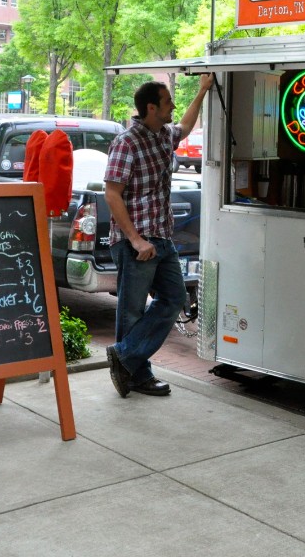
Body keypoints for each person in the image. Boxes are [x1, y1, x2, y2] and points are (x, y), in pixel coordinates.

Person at [105, 74, 213, 397]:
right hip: (135, 242)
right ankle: (137, 374)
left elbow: (186, 126)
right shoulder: (127, 142)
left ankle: (124, 357)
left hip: (162, 238)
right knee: (132, 310)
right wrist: (136, 240)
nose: (172, 107)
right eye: (167, 102)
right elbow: (112, 194)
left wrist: (202, 91)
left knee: (175, 298)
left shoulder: (164, 135)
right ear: (151, 108)